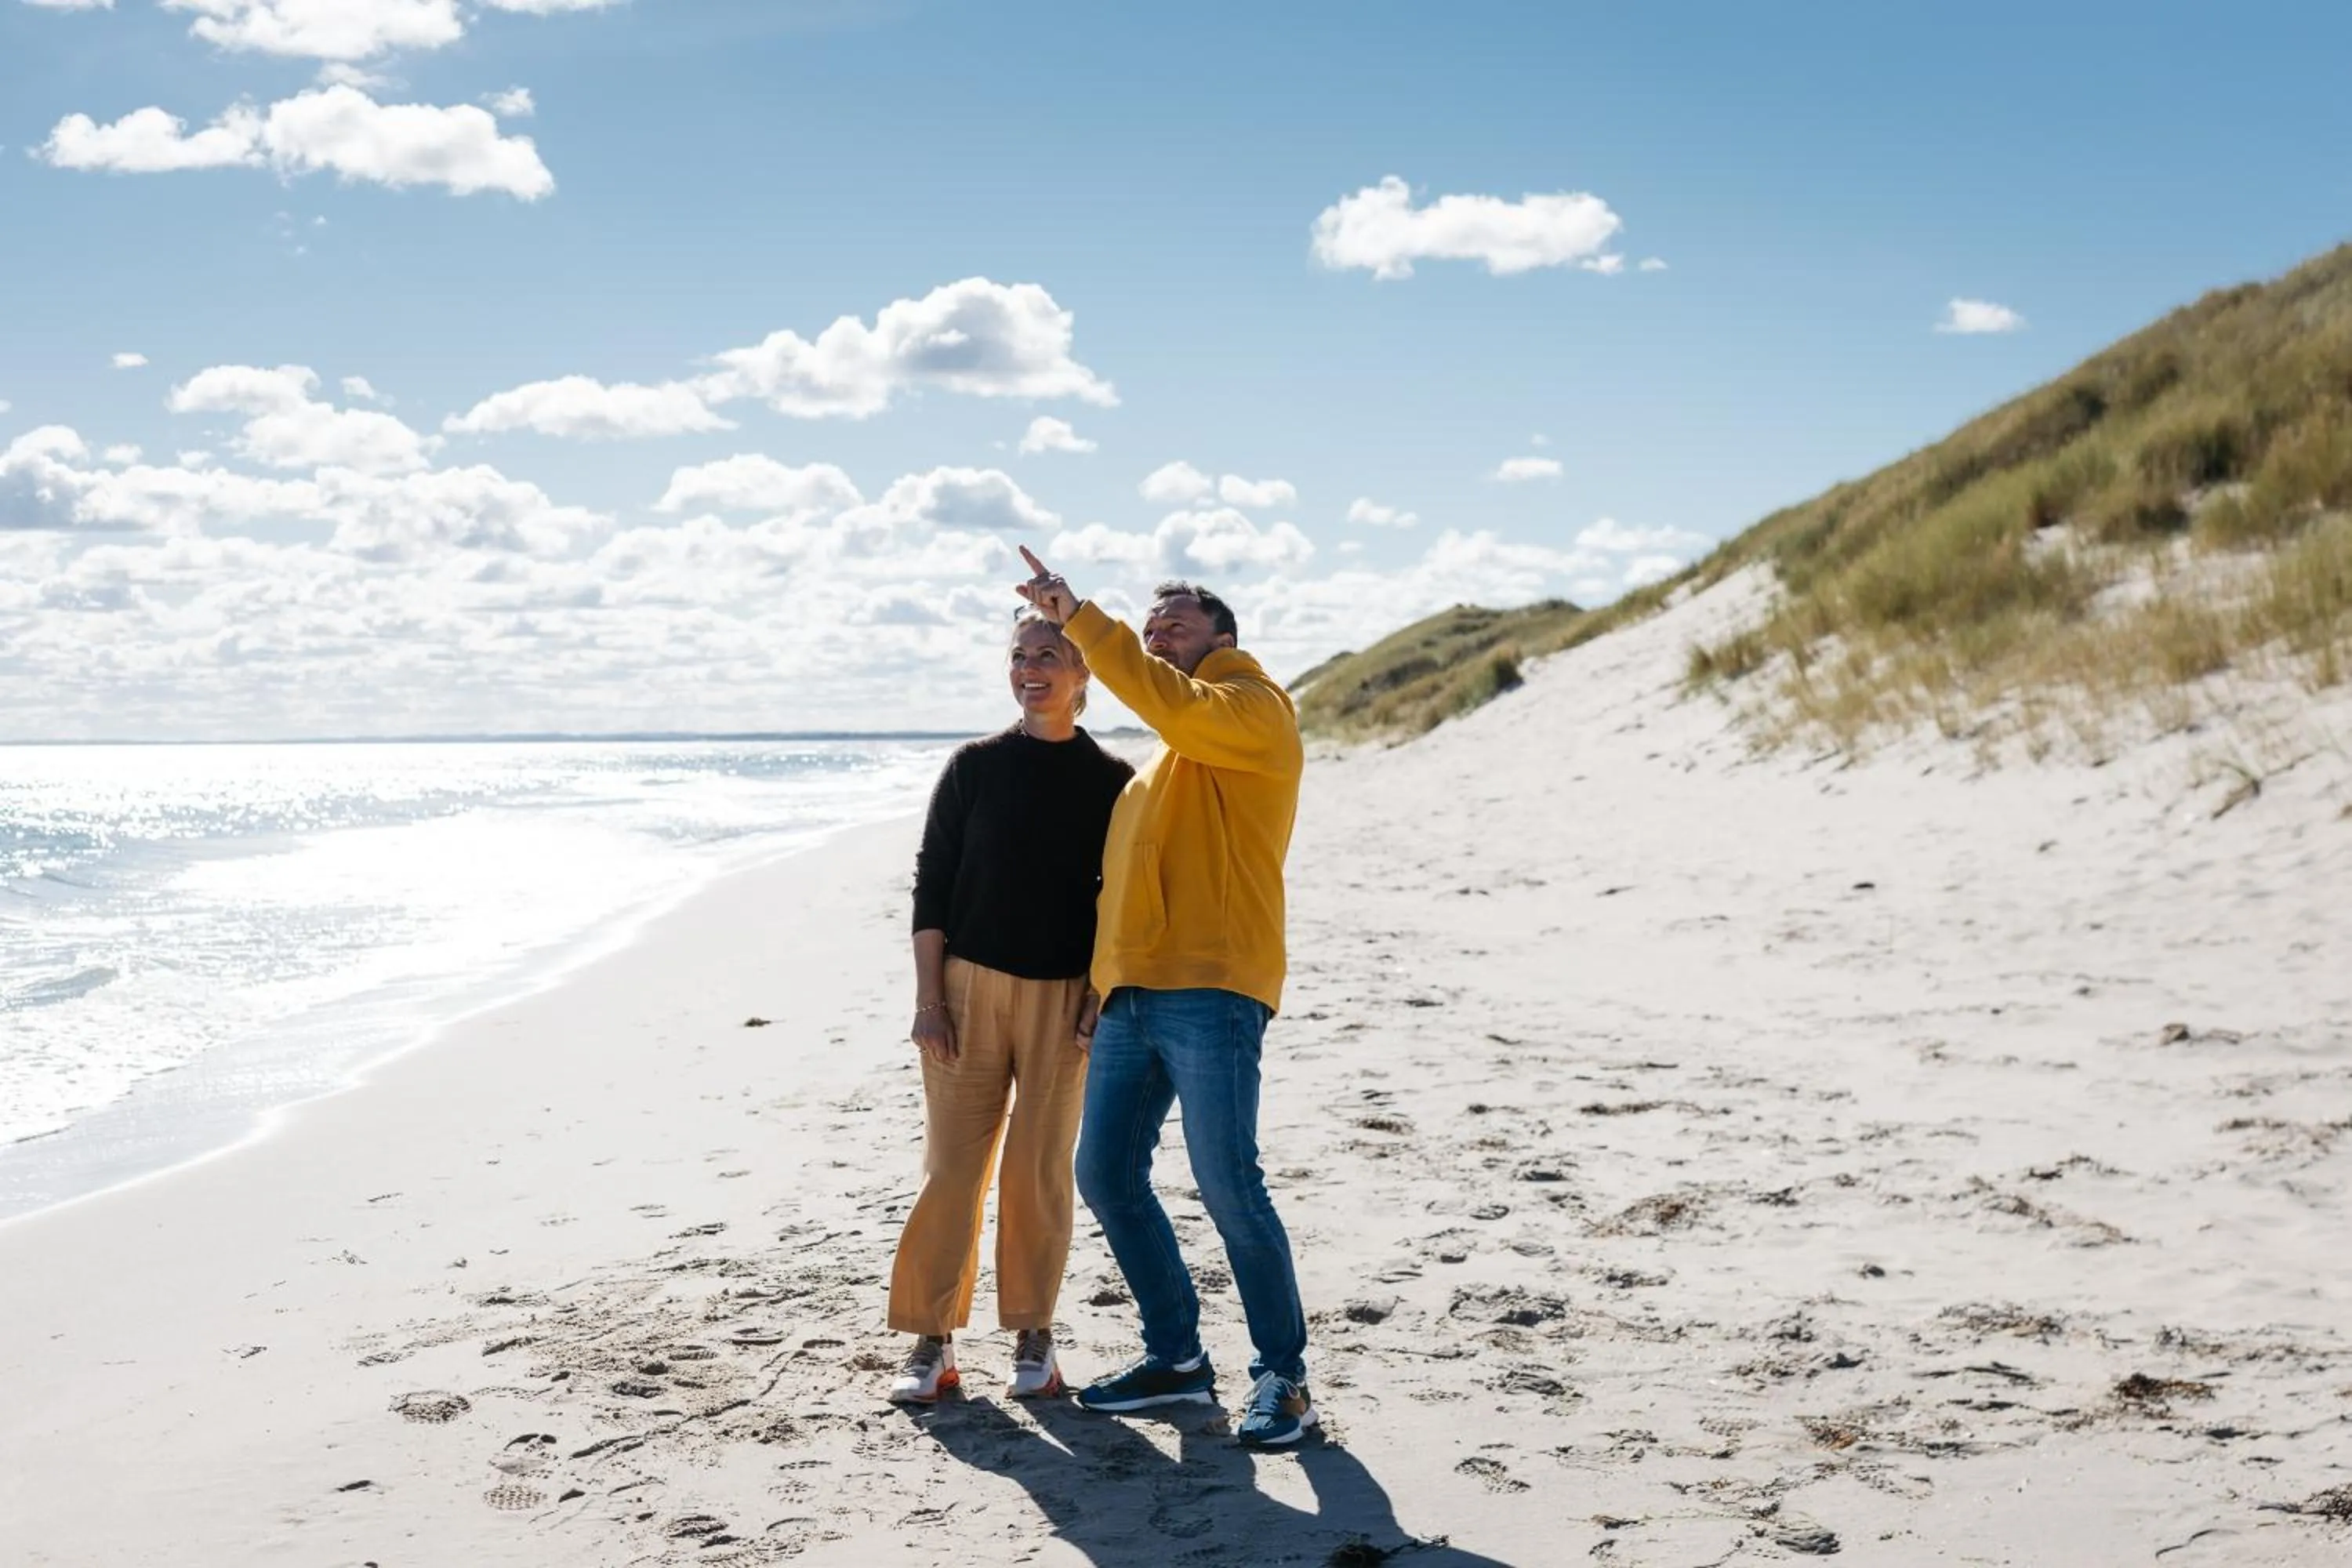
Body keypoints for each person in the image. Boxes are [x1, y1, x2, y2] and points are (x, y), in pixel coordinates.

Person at [1012, 547, 1316, 1449]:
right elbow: (1123, 882)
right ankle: (1177, 1357)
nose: (1157, 637)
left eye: (1175, 624)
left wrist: (1083, 620)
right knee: (1104, 1171)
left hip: (1214, 986)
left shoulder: (1255, 711)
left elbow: (1174, 703)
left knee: (1230, 1183)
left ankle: (1284, 1376)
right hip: (1135, 995)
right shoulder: (1167, 755)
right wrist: (1105, 983)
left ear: (1225, 636)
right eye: (1149, 629)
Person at [884, 611, 1134, 1404]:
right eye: (1020, 655)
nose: (1031, 668)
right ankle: (932, 1341)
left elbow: (1120, 903)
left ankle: (1035, 1333)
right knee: (953, 1169)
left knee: (1038, 1171)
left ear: (1083, 674)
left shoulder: (1113, 780)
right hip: (966, 989)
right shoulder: (973, 767)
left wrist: (1100, 993)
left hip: (1065, 1000)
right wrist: (930, 999)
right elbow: (931, 885)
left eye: (1049, 655)